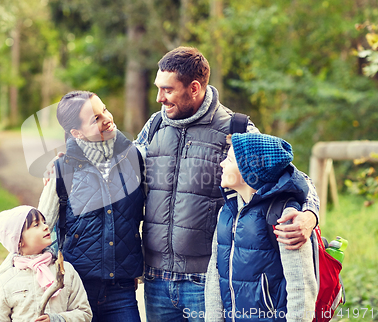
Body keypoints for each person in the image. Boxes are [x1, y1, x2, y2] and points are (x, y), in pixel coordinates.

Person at [133, 46, 319, 321]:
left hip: (205, 282)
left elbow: (296, 178)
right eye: (158, 89)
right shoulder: (155, 125)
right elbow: (123, 170)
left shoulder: (237, 129)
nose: (159, 98)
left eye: (168, 90)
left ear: (194, 88)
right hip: (156, 279)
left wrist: (309, 216)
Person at [0, 91, 145, 322]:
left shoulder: (135, 158)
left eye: (105, 110)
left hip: (122, 289)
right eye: (95, 119)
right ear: (76, 132)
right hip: (75, 291)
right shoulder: (60, 170)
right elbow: (33, 234)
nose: (106, 118)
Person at [204, 133, 318, 322]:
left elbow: (302, 288)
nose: (222, 163)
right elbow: (213, 279)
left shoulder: (285, 215)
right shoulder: (226, 212)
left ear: (250, 173)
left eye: (230, 159)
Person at [0, 205, 92, 322]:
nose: (45, 227)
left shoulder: (66, 270)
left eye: (44, 222)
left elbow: (85, 314)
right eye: (36, 225)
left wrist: (57, 319)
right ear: (19, 240)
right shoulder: (7, 281)